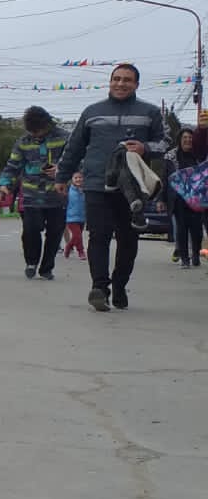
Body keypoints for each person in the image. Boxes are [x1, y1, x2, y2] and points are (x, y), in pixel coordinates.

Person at [54, 63, 167, 312]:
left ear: (136, 84)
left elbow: (165, 144)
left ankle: (119, 285)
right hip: (96, 184)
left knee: (128, 239)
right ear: (110, 82)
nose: (120, 83)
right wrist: (61, 177)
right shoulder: (92, 112)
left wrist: (145, 148)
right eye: (116, 79)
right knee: (99, 235)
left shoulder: (149, 112)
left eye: (127, 80)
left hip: (132, 190)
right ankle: (99, 288)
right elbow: (73, 148)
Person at [0, 105, 68, 281]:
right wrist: (5, 183)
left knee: (55, 232)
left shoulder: (65, 137)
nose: (36, 134)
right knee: (30, 229)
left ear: (48, 124)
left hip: (57, 194)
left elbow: (77, 160)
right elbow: (12, 165)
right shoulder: (23, 141)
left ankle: (47, 267)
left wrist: (61, 170)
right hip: (31, 194)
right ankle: (31, 262)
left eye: (39, 131)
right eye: (33, 131)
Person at [165, 128, 203, 267]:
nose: (188, 140)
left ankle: (196, 254)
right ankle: (185, 259)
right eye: (185, 138)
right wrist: (161, 200)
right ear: (180, 140)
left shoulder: (199, 156)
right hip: (179, 199)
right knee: (181, 230)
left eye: (190, 138)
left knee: (197, 231)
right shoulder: (171, 156)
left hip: (197, 199)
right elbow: (166, 179)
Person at [63, 184, 87, 261]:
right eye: (76, 178)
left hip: (82, 218)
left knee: (76, 236)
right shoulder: (69, 191)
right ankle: (81, 252)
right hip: (71, 218)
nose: (78, 179)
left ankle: (68, 247)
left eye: (80, 177)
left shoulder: (85, 190)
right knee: (78, 235)